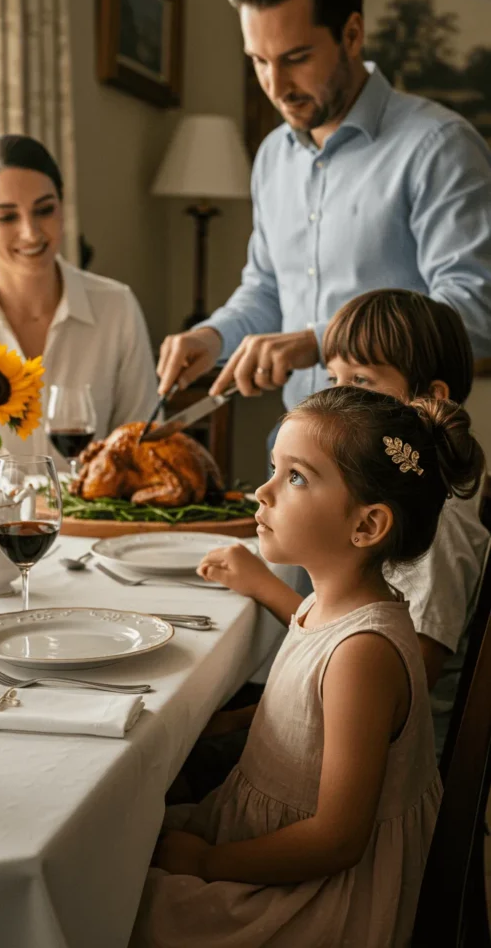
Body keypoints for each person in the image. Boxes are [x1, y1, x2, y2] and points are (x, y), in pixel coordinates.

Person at [131, 385, 484, 948]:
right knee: (120, 843)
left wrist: (207, 862)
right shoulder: (324, 606)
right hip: (267, 841)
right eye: (275, 469)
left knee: (119, 902)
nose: (262, 491)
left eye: (295, 477)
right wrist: (237, 721)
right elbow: (309, 712)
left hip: (325, 898)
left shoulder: (362, 654)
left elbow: (337, 841)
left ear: (366, 527)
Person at [156, 0, 491, 411]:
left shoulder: (438, 146)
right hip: (298, 449)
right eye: (259, 61)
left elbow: (475, 314)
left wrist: (320, 342)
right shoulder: (273, 155)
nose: (276, 85)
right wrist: (213, 336)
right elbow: (268, 291)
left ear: (352, 35)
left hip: (403, 465)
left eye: (296, 58)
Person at [196, 290, 490, 769]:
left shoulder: (440, 518)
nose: (340, 397)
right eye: (334, 378)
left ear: (428, 398)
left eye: (361, 381)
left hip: (385, 757)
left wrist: (264, 586)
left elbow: (403, 668)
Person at [0, 134, 158, 466]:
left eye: (45, 210)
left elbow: (144, 441)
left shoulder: (116, 307)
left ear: (62, 204)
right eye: (7, 217)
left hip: (94, 518)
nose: (32, 233)